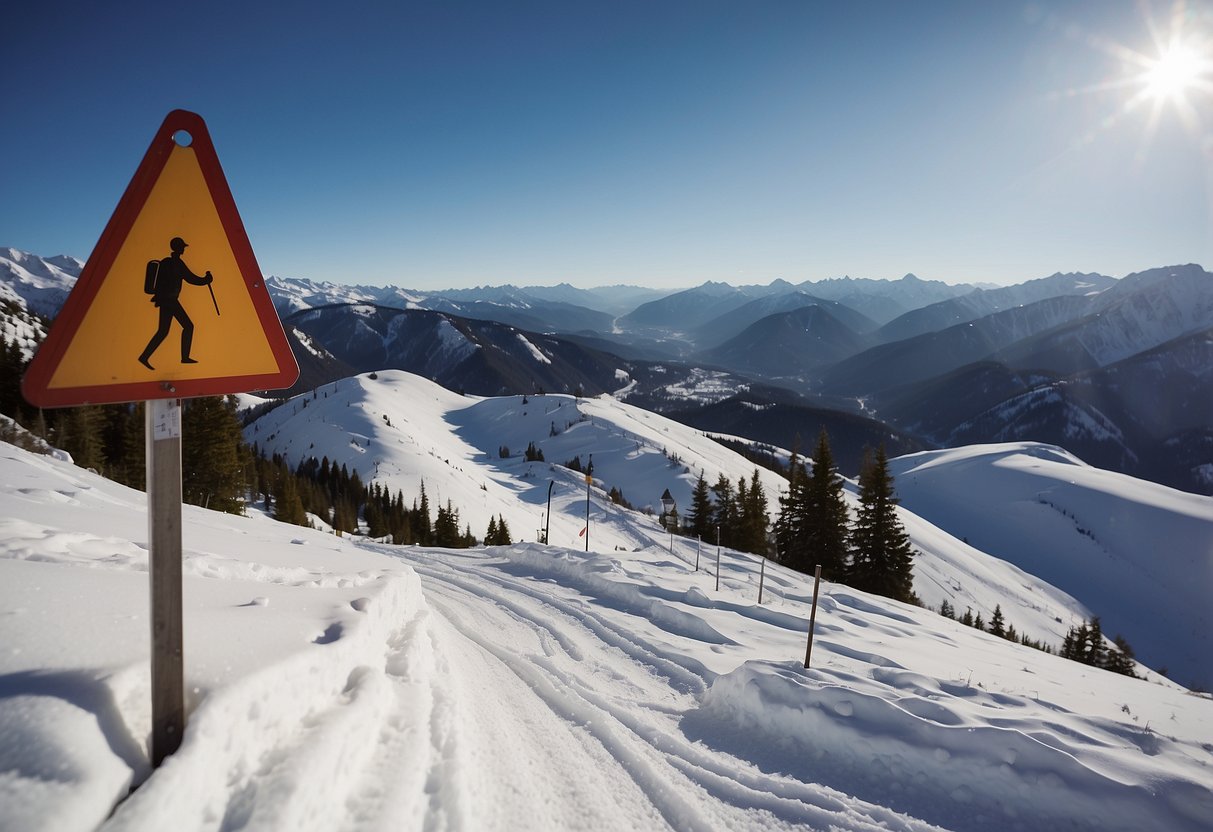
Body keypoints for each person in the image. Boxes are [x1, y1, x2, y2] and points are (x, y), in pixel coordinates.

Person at [138, 237, 213, 370]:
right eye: (182, 247)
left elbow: (189, 278)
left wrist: (205, 280)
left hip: (166, 300)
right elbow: (191, 278)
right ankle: (184, 358)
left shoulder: (168, 262)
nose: (183, 249)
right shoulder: (175, 263)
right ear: (178, 248)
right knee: (188, 326)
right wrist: (206, 280)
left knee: (163, 331)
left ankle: (144, 357)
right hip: (170, 301)